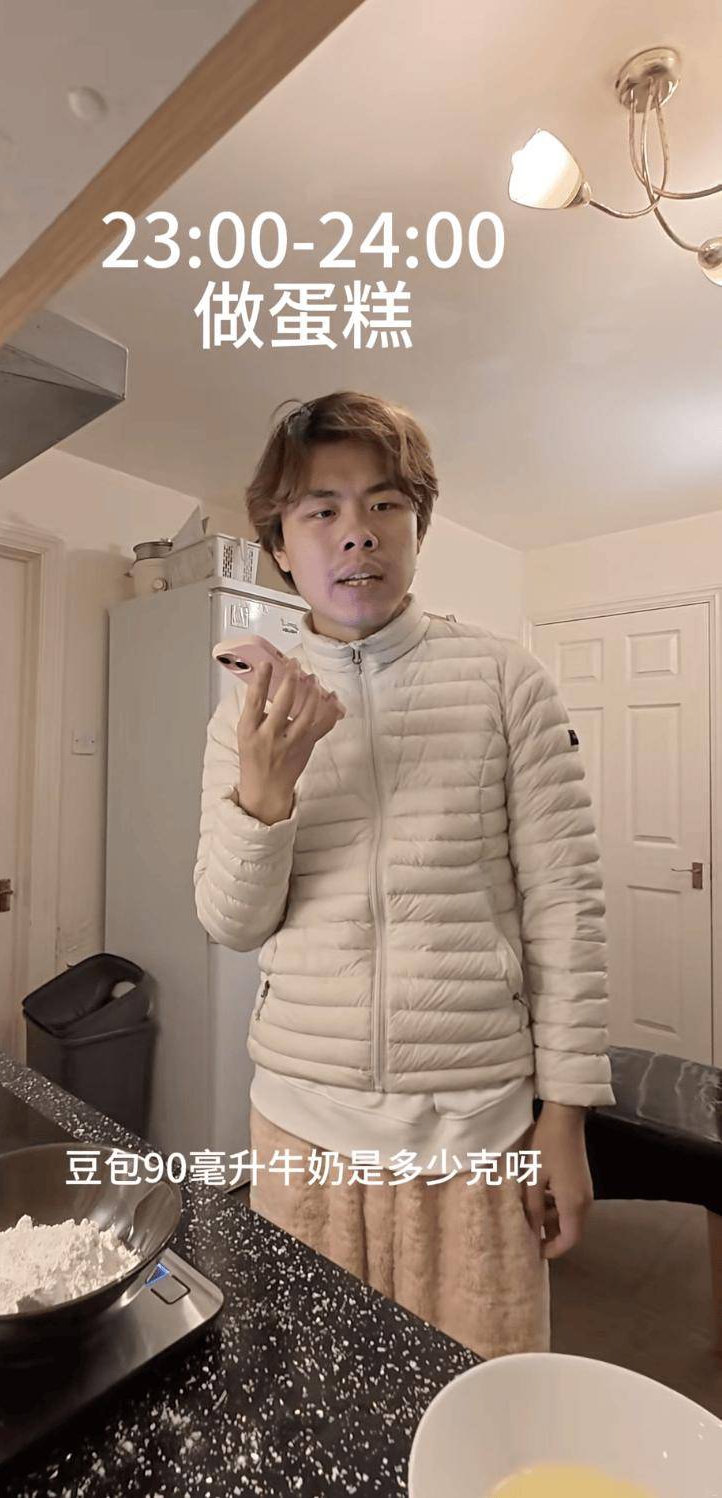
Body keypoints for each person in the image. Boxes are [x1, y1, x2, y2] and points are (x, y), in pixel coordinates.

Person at [193, 391, 614, 1359]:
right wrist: (265, 790)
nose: (357, 534)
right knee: (314, 1395)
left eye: (385, 504)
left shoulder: (505, 681)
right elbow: (231, 922)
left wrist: (565, 1117)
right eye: (321, 510)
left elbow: (565, 907)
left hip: (474, 1130)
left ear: (418, 526)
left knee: (477, 1391)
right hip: (301, 1126)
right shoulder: (245, 716)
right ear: (280, 545)